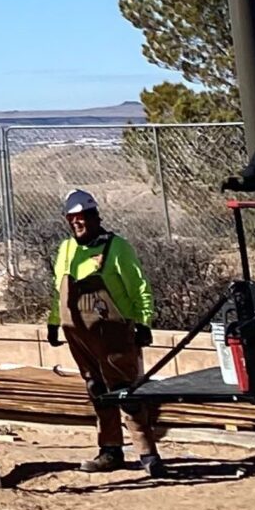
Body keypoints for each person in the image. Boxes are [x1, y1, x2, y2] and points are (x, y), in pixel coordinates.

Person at [46, 189, 167, 477]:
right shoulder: (66, 250)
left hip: (114, 332)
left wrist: (143, 321)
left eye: (83, 217)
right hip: (78, 335)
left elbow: (138, 286)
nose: (78, 223)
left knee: (126, 392)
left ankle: (148, 454)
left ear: (94, 216)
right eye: (72, 218)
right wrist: (53, 322)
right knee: (97, 390)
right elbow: (57, 290)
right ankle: (110, 450)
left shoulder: (117, 248)